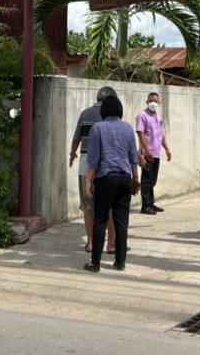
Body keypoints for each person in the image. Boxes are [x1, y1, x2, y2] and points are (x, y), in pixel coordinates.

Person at [84, 94, 139, 272]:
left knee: (100, 219)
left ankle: (95, 263)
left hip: (105, 178)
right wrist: (136, 179)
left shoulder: (98, 128)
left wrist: (88, 181)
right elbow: (133, 157)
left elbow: (93, 160)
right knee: (121, 221)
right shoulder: (128, 128)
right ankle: (120, 262)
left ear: (104, 111)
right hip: (124, 177)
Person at [69, 86, 116, 253]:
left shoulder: (85, 114)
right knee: (109, 206)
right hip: (107, 166)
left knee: (88, 206)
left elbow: (76, 138)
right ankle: (111, 244)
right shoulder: (112, 116)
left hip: (86, 163)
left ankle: (90, 242)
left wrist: (72, 154)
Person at [136, 91, 172, 215]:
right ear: (147, 102)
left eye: (155, 101)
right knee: (146, 179)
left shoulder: (158, 117)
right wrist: (147, 150)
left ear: (159, 102)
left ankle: (151, 203)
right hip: (147, 154)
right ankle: (145, 206)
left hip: (156, 153)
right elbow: (140, 133)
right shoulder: (142, 115)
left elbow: (161, 135)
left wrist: (167, 149)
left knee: (153, 180)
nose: (153, 103)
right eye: (151, 100)